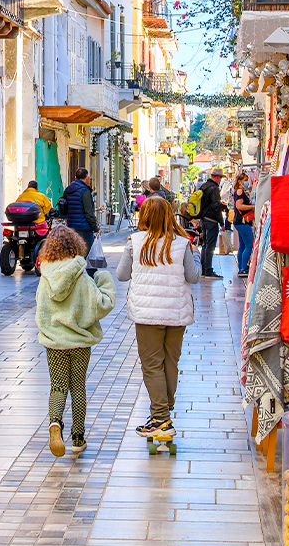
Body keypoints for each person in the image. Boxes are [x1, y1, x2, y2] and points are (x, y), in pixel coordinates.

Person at [117, 197, 200, 437]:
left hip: (146, 314)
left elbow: (122, 275)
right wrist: (195, 256)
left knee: (152, 365)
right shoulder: (183, 243)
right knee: (170, 363)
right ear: (170, 215)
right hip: (176, 313)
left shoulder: (135, 242)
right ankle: (164, 413)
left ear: (143, 216)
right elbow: (194, 277)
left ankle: (161, 418)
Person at [35, 226, 117, 457]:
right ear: (76, 246)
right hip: (80, 342)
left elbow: (41, 311)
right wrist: (103, 277)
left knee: (58, 386)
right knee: (77, 386)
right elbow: (101, 304)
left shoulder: (46, 277)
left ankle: (55, 423)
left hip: (55, 343)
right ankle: (78, 437)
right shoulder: (81, 276)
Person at [191, 167, 229, 279]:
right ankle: (208, 270)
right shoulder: (214, 188)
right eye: (220, 178)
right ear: (217, 177)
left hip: (203, 218)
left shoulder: (204, 186)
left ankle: (204, 269)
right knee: (210, 246)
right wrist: (222, 223)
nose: (220, 180)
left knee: (205, 245)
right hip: (211, 220)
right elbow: (216, 207)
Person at [58, 167, 97, 249]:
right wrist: (95, 228)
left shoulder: (69, 189)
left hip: (71, 226)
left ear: (75, 177)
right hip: (84, 228)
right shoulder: (85, 191)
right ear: (86, 177)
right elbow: (88, 212)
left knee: (74, 252)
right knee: (86, 253)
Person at [231, 171, 256, 278]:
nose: (247, 183)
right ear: (240, 181)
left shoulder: (238, 190)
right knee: (249, 245)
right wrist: (253, 207)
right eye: (245, 181)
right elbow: (239, 206)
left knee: (242, 246)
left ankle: (241, 266)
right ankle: (243, 268)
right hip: (243, 222)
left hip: (239, 222)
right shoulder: (240, 191)